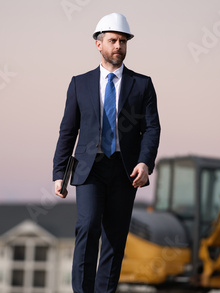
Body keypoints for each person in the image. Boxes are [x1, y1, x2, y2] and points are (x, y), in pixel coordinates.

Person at [52, 12, 161, 293]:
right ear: (98, 44)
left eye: (123, 41)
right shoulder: (80, 83)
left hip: (126, 171)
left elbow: (152, 128)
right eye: (113, 40)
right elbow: (68, 131)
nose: (119, 46)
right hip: (90, 168)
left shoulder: (142, 84)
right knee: (88, 228)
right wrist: (59, 173)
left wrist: (145, 162)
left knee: (115, 239)